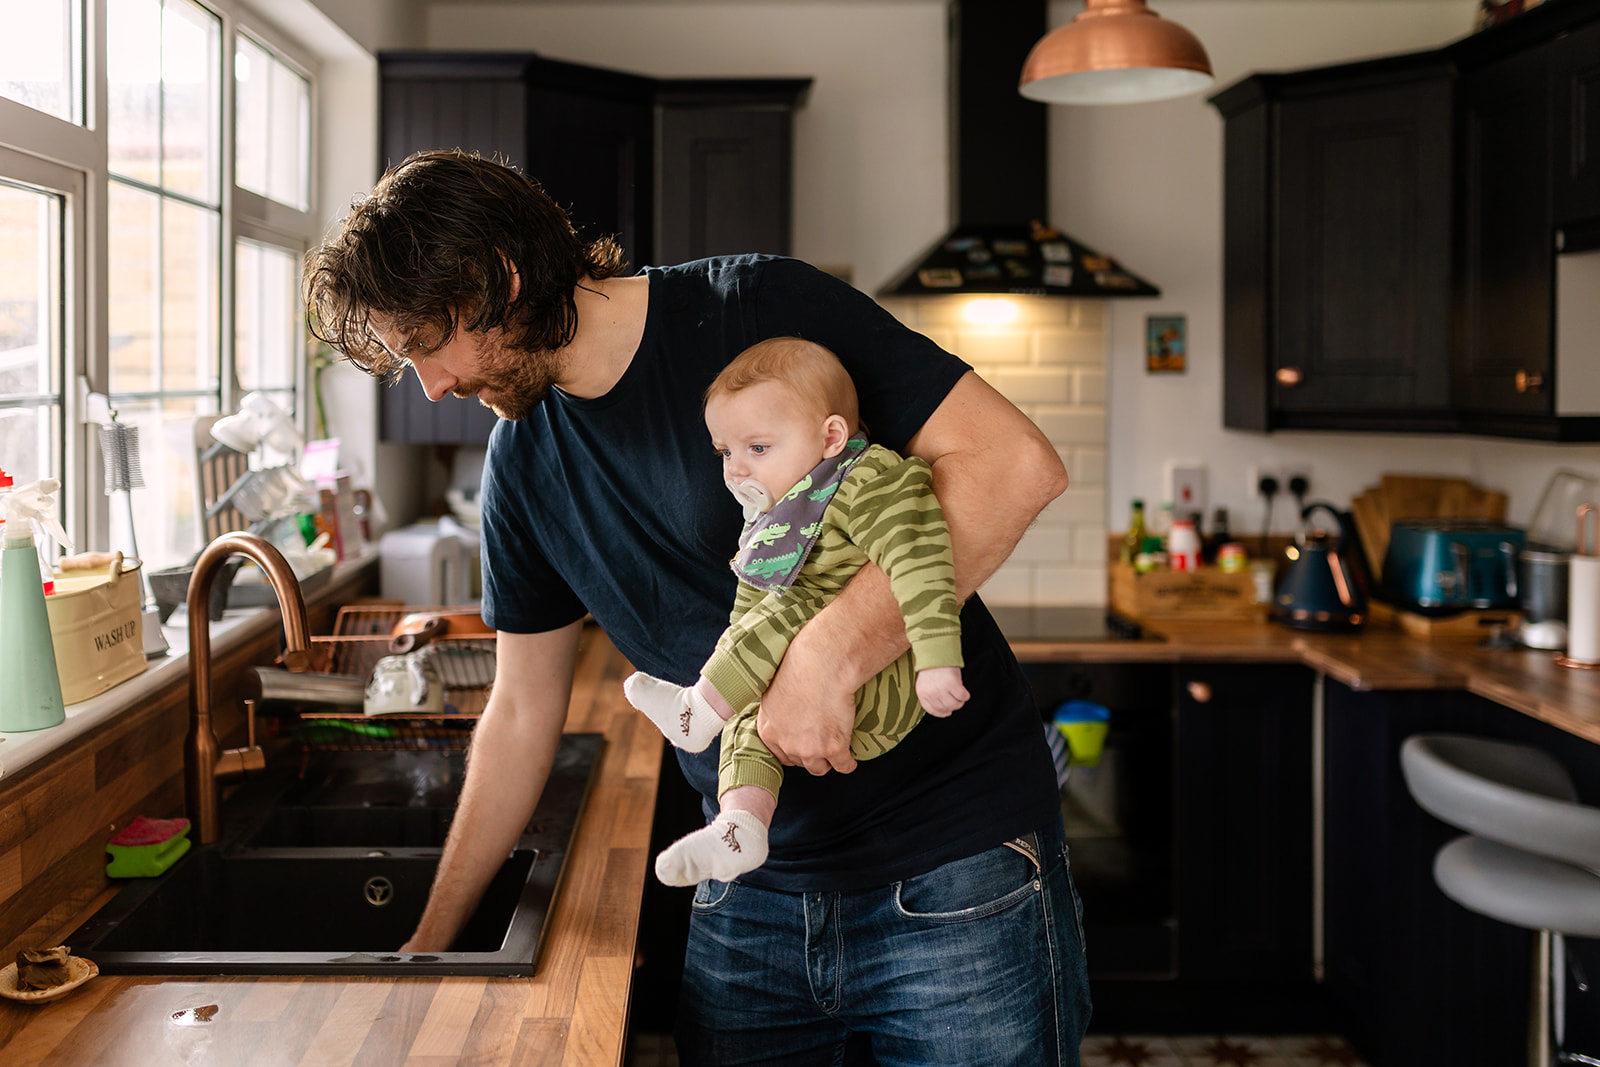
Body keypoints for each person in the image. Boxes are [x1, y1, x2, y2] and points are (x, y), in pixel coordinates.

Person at [305, 149, 1090, 1065]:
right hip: (746, 891)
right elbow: (520, 711)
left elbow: (1014, 464)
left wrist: (829, 653)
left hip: (957, 870)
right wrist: (430, 943)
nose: (433, 385)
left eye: (428, 347)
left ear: (496, 280)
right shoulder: (521, 468)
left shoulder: (760, 308)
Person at [624, 336, 970, 888]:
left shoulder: (866, 480)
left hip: (884, 689)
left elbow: (921, 560)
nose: (736, 470)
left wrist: (937, 662)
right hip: (808, 703)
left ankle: (696, 709)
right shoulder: (782, 514)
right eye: (725, 452)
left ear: (830, 436)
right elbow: (746, 620)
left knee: (791, 607)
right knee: (746, 708)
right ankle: (741, 827)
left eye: (757, 448)